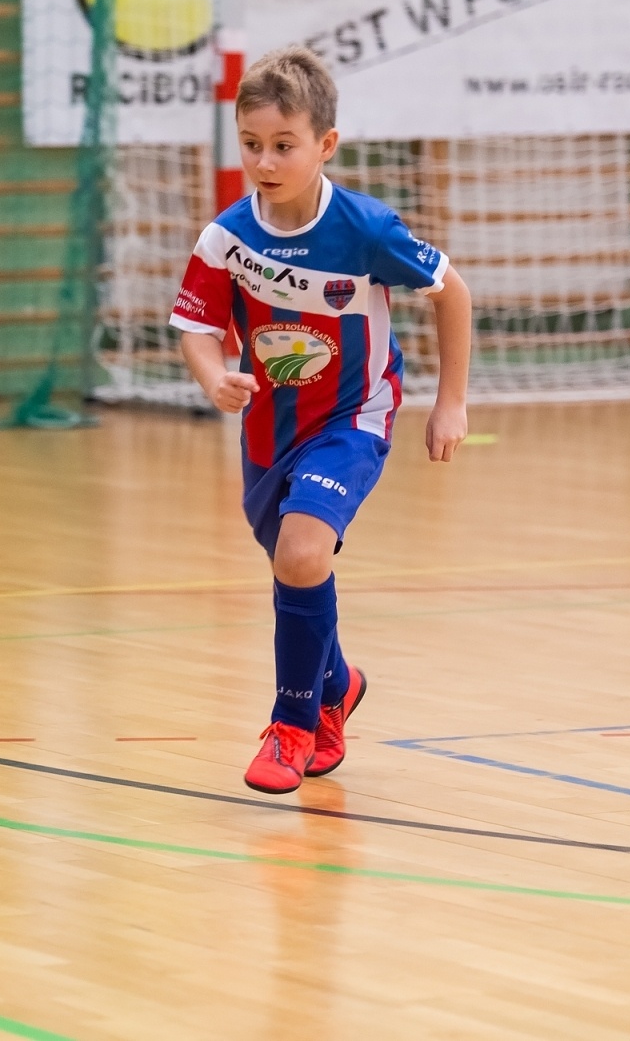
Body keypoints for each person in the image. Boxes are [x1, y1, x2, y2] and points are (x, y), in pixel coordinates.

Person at [171, 47, 472, 794]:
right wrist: (215, 375)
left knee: (303, 555)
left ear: (324, 145)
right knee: (294, 563)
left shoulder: (367, 230)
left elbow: (451, 290)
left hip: (353, 416)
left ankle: (293, 726)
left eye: (283, 145)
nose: (264, 162)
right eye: (251, 145)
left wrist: (451, 401)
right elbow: (197, 324)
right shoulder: (228, 238)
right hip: (270, 429)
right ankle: (337, 685)